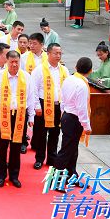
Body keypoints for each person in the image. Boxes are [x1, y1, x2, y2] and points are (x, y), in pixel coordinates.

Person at [0, 50, 35, 188]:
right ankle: (1, 176)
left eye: (17, 62)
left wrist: (31, 116)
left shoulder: (26, 77)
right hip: (3, 113)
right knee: (2, 146)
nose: (14, 65)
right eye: (12, 62)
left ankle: (14, 175)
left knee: (16, 146)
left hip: (20, 114)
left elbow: (31, 97)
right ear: (7, 62)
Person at [29, 43, 67, 171]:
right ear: (48, 54)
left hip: (58, 106)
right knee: (41, 133)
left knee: (55, 133)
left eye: (60, 53)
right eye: (56, 53)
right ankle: (39, 159)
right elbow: (33, 89)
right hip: (43, 104)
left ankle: (52, 159)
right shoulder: (39, 70)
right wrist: (36, 106)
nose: (58, 56)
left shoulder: (63, 70)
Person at [55, 57, 93, 180]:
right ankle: (57, 178)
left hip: (67, 115)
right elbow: (81, 108)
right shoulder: (82, 85)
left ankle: (72, 174)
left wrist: (63, 113)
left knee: (72, 149)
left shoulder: (69, 79)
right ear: (90, 70)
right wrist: (87, 126)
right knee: (66, 150)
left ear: (76, 67)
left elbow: (62, 98)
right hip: (74, 119)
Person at [91, 42, 110, 123]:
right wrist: (88, 71)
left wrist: (104, 80)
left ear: (107, 52)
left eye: (101, 55)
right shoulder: (103, 61)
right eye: (98, 55)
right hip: (103, 86)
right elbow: (98, 72)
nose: (99, 57)